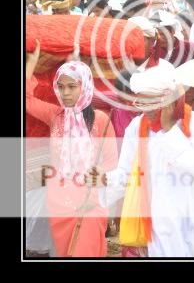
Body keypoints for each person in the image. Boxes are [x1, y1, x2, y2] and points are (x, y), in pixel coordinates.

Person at [95, 61, 194, 257]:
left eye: (153, 103)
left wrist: (168, 130)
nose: (147, 111)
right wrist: (102, 180)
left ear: (171, 100)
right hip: (160, 220)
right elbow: (126, 174)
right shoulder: (136, 127)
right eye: (143, 103)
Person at [26, 42, 118, 257]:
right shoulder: (55, 116)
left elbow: (111, 163)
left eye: (71, 86)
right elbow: (27, 99)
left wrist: (89, 188)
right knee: (65, 251)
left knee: (87, 251)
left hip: (90, 200)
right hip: (59, 201)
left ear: (84, 86)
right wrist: (31, 62)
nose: (65, 92)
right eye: (61, 86)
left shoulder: (101, 120)